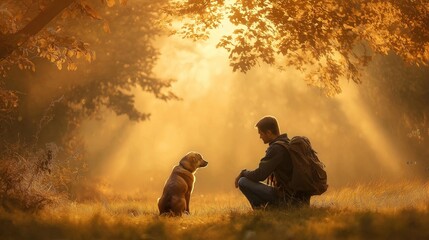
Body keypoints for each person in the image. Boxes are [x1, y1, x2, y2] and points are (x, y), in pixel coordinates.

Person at [234, 116, 311, 209]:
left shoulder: (276, 148)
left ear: (269, 133)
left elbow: (260, 175)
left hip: (287, 199)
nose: (260, 137)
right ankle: (268, 208)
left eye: (261, 134)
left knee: (243, 181)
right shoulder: (287, 143)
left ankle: (262, 209)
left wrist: (243, 173)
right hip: (301, 199)